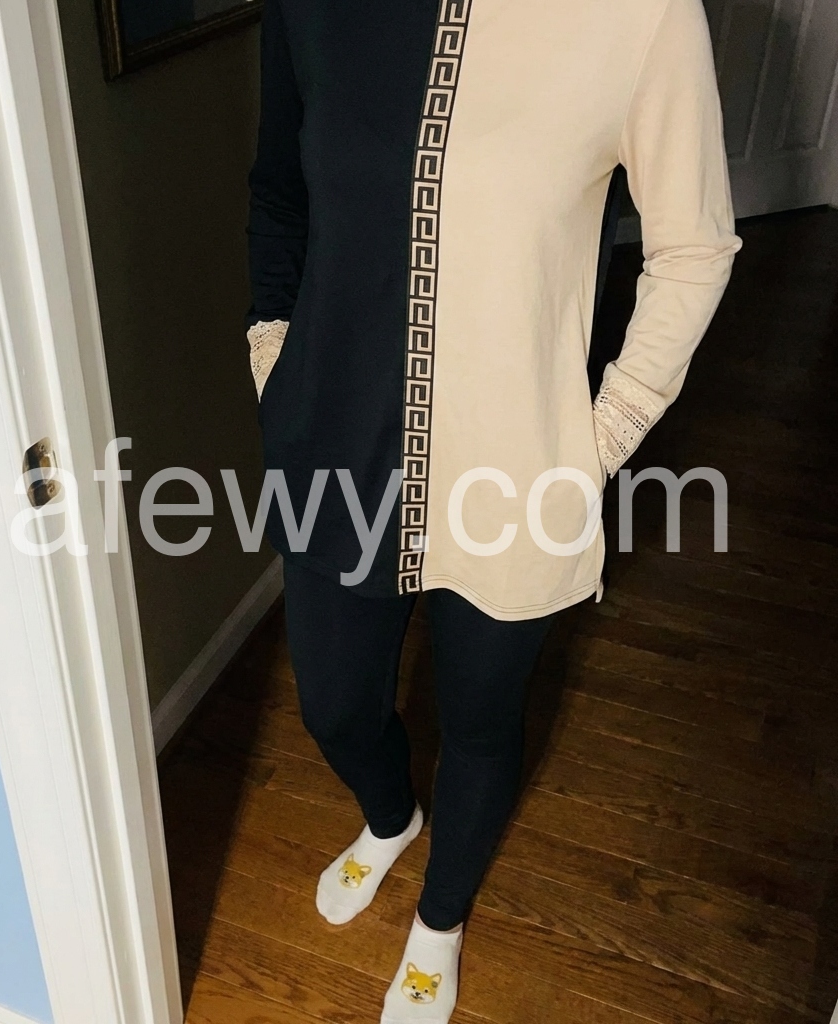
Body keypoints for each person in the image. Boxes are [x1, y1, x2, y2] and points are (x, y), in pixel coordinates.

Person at [244, 0, 740, 1019]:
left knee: (478, 718)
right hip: (334, 440)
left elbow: (694, 249)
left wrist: (600, 436)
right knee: (334, 703)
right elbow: (278, 192)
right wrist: (271, 353)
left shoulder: (640, 16)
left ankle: (441, 918)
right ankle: (392, 818)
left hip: (516, 464)